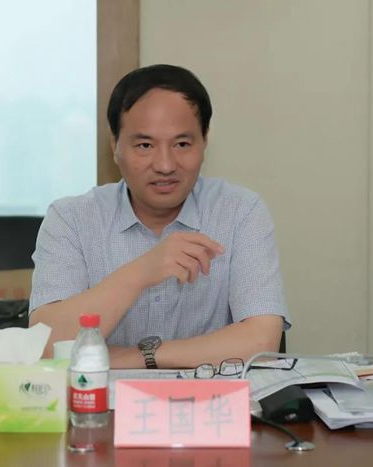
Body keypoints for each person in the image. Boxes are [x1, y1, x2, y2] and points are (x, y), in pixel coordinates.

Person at [29, 64, 290, 369]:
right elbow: (45, 346)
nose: (165, 165)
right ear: (115, 146)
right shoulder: (71, 219)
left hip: (212, 398)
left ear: (204, 141)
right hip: (100, 399)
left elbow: (262, 342)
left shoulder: (240, 212)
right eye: (145, 145)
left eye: (182, 144)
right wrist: (143, 271)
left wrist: (137, 356)